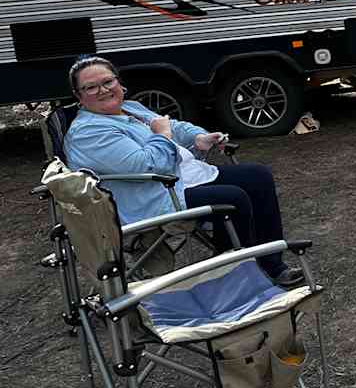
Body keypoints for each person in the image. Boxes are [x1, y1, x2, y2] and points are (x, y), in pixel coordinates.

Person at [63, 55, 304, 287]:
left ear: (119, 82)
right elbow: (148, 165)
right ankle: (237, 275)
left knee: (257, 176)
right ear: (79, 97)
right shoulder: (88, 132)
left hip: (181, 180)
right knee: (232, 198)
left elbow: (175, 126)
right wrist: (162, 135)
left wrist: (198, 137)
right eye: (91, 87)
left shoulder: (130, 108)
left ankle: (272, 264)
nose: (103, 90)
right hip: (154, 197)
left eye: (108, 82)